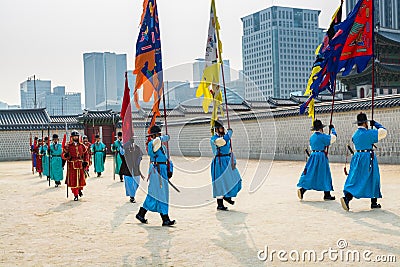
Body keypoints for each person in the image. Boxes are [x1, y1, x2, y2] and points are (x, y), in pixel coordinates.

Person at [340, 113, 388, 211]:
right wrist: (376, 124)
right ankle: (373, 202)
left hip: (357, 157)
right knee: (373, 178)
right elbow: (384, 132)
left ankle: (347, 198)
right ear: (366, 123)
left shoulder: (355, 135)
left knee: (356, 179)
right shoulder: (370, 133)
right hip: (368, 158)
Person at [136, 125, 175, 226]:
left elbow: (167, 158)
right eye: (158, 134)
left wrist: (170, 168)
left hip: (162, 169)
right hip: (156, 170)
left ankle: (142, 213)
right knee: (157, 193)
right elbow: (157, 141)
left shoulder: (163, 146)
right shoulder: (152, 144)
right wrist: (164, 137)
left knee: (161, 193)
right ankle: (165, 218)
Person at [297, 120, 337, 201]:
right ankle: (327, 194)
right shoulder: (322, 136)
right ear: (321, 128)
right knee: (325, 174)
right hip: (321, 156)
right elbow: (333, 138)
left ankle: (303, 190)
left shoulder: (312, 137)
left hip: (313, 156)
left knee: (311, 173)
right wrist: (332, 129)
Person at [210, 120, 242, 211]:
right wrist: (229, 134)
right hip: (219, 163)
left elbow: (228, 149)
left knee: (236, 179)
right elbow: (223, 142)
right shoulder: (214, 139)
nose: (222, 129)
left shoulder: (225, 136)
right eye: (220, 128)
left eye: (222, 128)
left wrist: (233, 160)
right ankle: (220, 204)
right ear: (216, 129)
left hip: (227, 160)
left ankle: (227, 196)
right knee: (220, 183)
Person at [62, 131, 89, 201]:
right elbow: (63, 154)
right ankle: (75, 194)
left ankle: (79, 190)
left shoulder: (82, 145)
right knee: (73, 180)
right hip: (71, 165)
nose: (75, 137)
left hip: (80, 164)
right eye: (74, 136)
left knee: (81, 179)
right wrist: (66, 155)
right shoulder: (68, 146)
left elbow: (86, 154)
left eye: (76, 136)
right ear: (72, 137)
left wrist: (86, 161)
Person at [119, 136, 144, 203]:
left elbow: (141, 155)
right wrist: (127, 144)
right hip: (127, 168)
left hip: (135, 168)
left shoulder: (137, 147)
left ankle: (132, 194)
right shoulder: (124, 147)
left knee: (137, 183)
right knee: (129, 183)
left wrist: (138, 160)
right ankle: (132, 197)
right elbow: (121, 152)